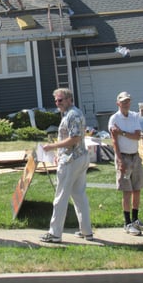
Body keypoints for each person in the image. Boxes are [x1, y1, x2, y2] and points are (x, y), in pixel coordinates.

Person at [39, 88, 93, 243]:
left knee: (60, 197)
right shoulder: (73, 113)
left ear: (70, 99)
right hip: (79, 158)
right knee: (79, 195)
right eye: (56, 100)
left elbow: (74, 138)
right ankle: (86, 231)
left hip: (71, 160)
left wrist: (52, 147)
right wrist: (58, 153)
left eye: (60, 100)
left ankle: (55, 234)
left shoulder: (73, 115)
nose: (58, 103)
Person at [108, 91, 143, 236]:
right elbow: (114, 141)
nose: (126, 104)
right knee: (127, 190)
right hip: (124, 157)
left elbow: (137, 136)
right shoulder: (114, 118)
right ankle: (127, 223)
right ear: (118, 103)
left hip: (135, 156)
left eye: (128, 101)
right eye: (123, 101)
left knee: (137, 188)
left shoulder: (133, 116)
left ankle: (136, 219)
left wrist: (122, 133)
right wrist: (119, 160)